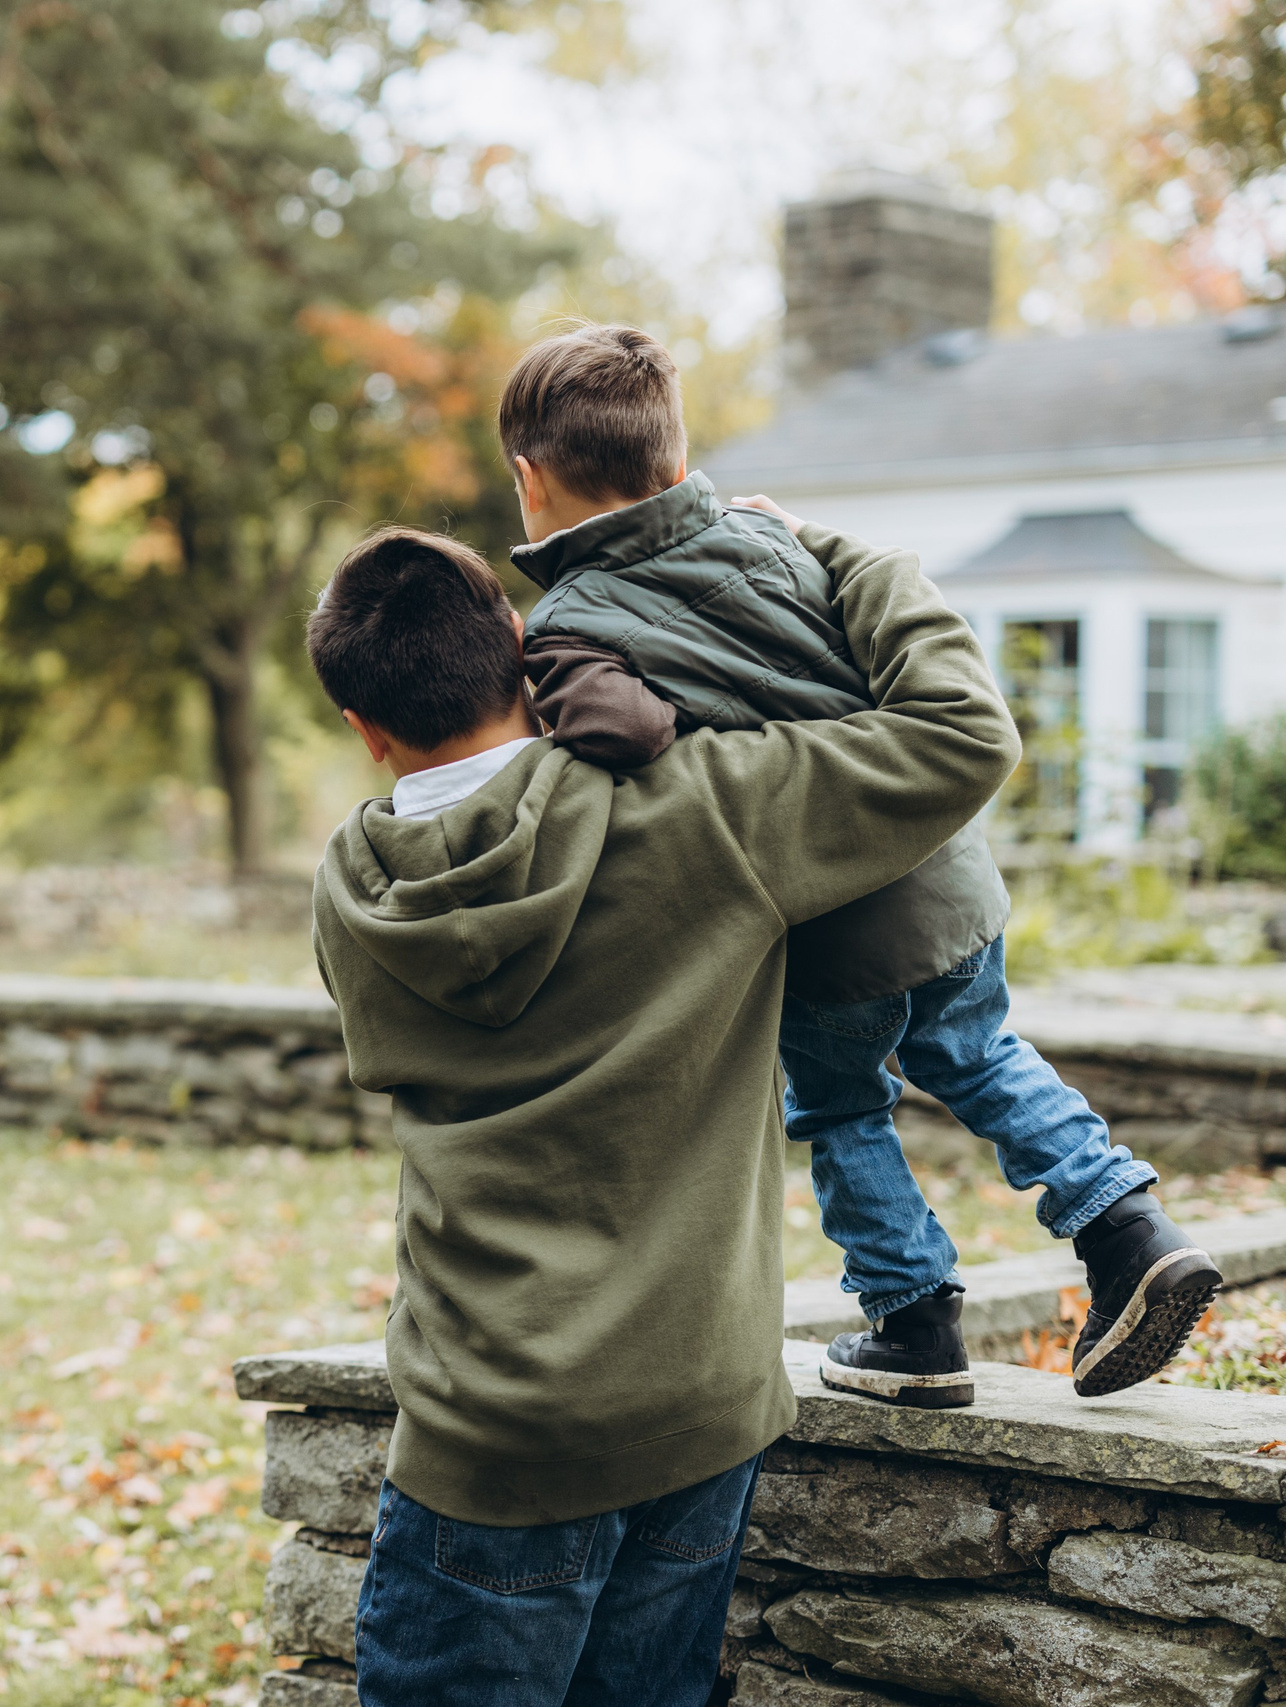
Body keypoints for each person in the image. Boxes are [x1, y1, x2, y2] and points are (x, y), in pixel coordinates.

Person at [306, 510, 1012, 1704]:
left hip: (494, 1434)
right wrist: (852, 557)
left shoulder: (352, 891)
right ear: (520, 648)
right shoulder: (707, 811)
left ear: (364, 731)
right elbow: (957, 733)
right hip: (699, 1411)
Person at [507, 324, 1221, 1409]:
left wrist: (557, 685)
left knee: (839, 1105)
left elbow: (628, 740)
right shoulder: (789, 543)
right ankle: (1128, 1227)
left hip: (826, 924)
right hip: (945, 879)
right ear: (676, 452)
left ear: (528, 480)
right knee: (979, 1054)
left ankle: (910, 1317)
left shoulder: (566, 622)